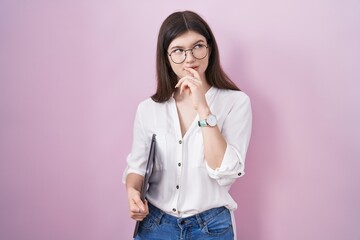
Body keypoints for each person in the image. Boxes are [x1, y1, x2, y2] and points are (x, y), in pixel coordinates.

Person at [123, 10, 252, 240]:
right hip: (155, 224)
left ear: (209, 49)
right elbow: (137, 167)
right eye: (178, 51)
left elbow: (225, 172)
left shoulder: (236, 102)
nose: (190, 58)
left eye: (198, 46)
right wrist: (132, 192)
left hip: (211, 228)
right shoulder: (148, 109)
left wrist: (203, 108)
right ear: (166, 57)